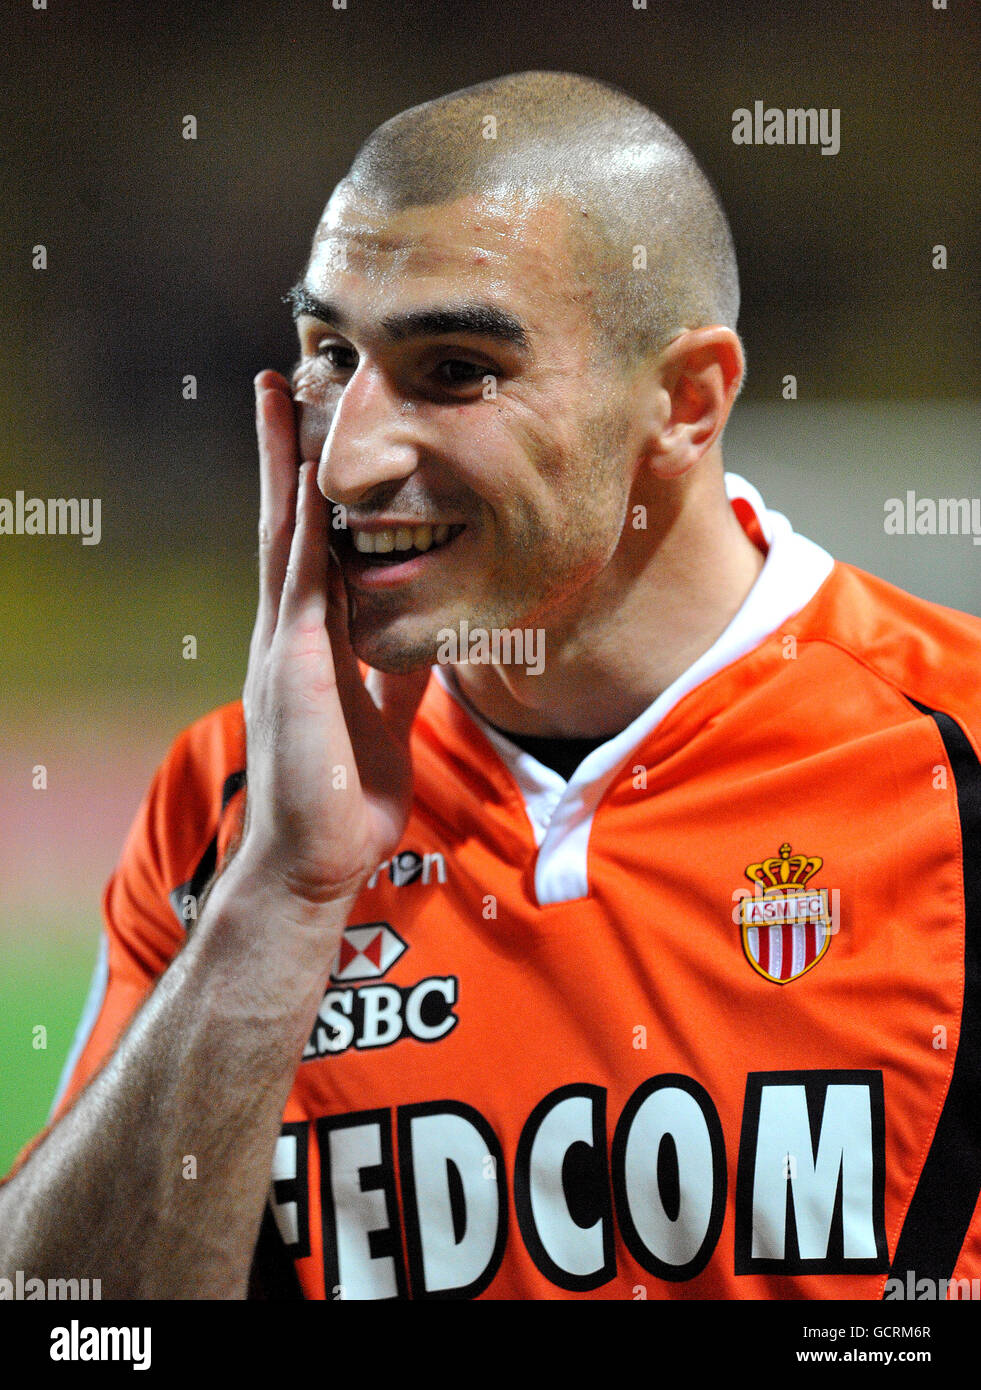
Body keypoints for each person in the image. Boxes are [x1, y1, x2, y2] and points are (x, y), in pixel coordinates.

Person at [2, 70, 979, 1302]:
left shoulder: (959, 756)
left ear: (686, 402)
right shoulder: (231, 810)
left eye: (454, 370)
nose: (348, 457)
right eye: (328, 357)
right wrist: (282, 897)